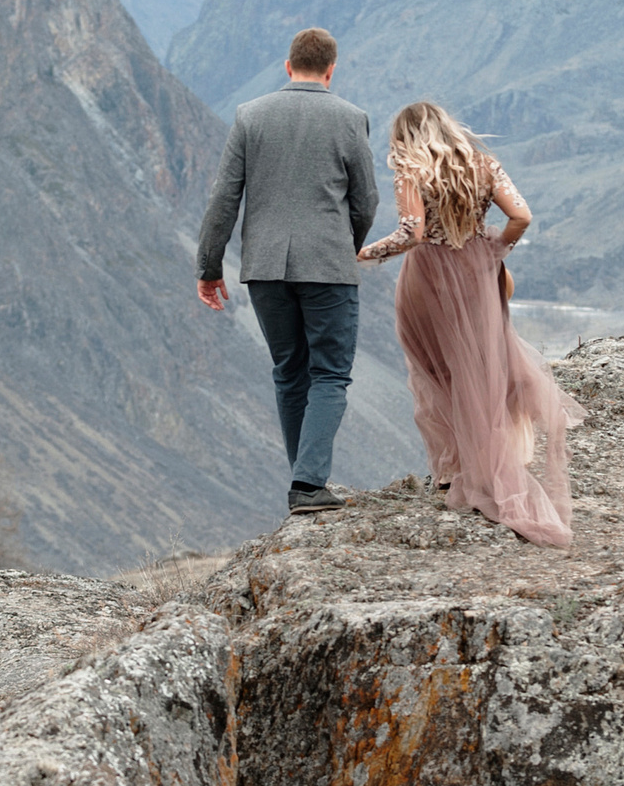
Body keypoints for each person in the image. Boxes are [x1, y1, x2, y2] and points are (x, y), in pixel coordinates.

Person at [358, 100, 580, 546]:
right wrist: (495, 250)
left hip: (429, 278)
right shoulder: (483, 164)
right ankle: (484, 460)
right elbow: (522, 216)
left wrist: (366, 253)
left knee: (432, 366)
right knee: (481, 364)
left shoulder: (411, 169)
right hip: (478, 274)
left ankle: (456, 467)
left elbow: (412, 233)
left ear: (407, 136)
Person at [196, 27, 380, 514]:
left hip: (265, 270)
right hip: (328, 267)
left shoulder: (249, 117)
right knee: (331, 373)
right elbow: (366, 201)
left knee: (289, 371)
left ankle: (304, 480)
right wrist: (346, 246)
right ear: (331, 69)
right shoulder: (350, 119)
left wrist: (209, 266)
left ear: (287, 65)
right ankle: (308, 483)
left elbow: (223, 199)